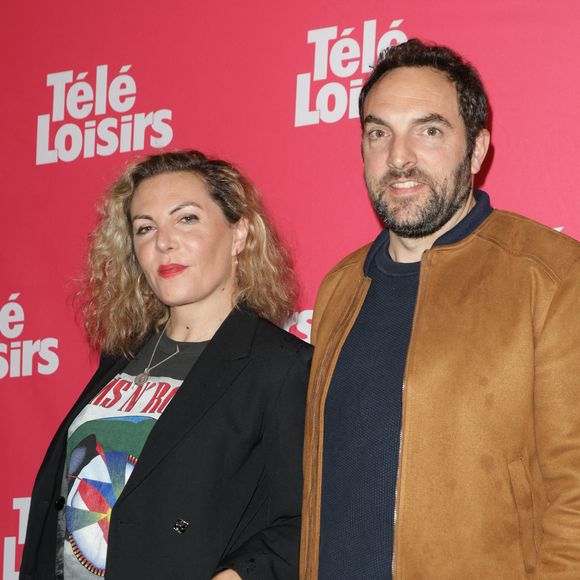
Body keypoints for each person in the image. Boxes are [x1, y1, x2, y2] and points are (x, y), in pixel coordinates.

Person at [300, 39, 580, 579]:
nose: (399, 157)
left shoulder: (553, 276)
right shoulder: (340, 286)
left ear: (476, 150)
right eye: (379, 133)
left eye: (429, 130)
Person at [20, 150, 312, 580]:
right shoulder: (122, 354)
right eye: (145, 228)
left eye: (187, 218)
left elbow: (305, 520)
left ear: (239, 234)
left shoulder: (282, 367)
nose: (163, 241)